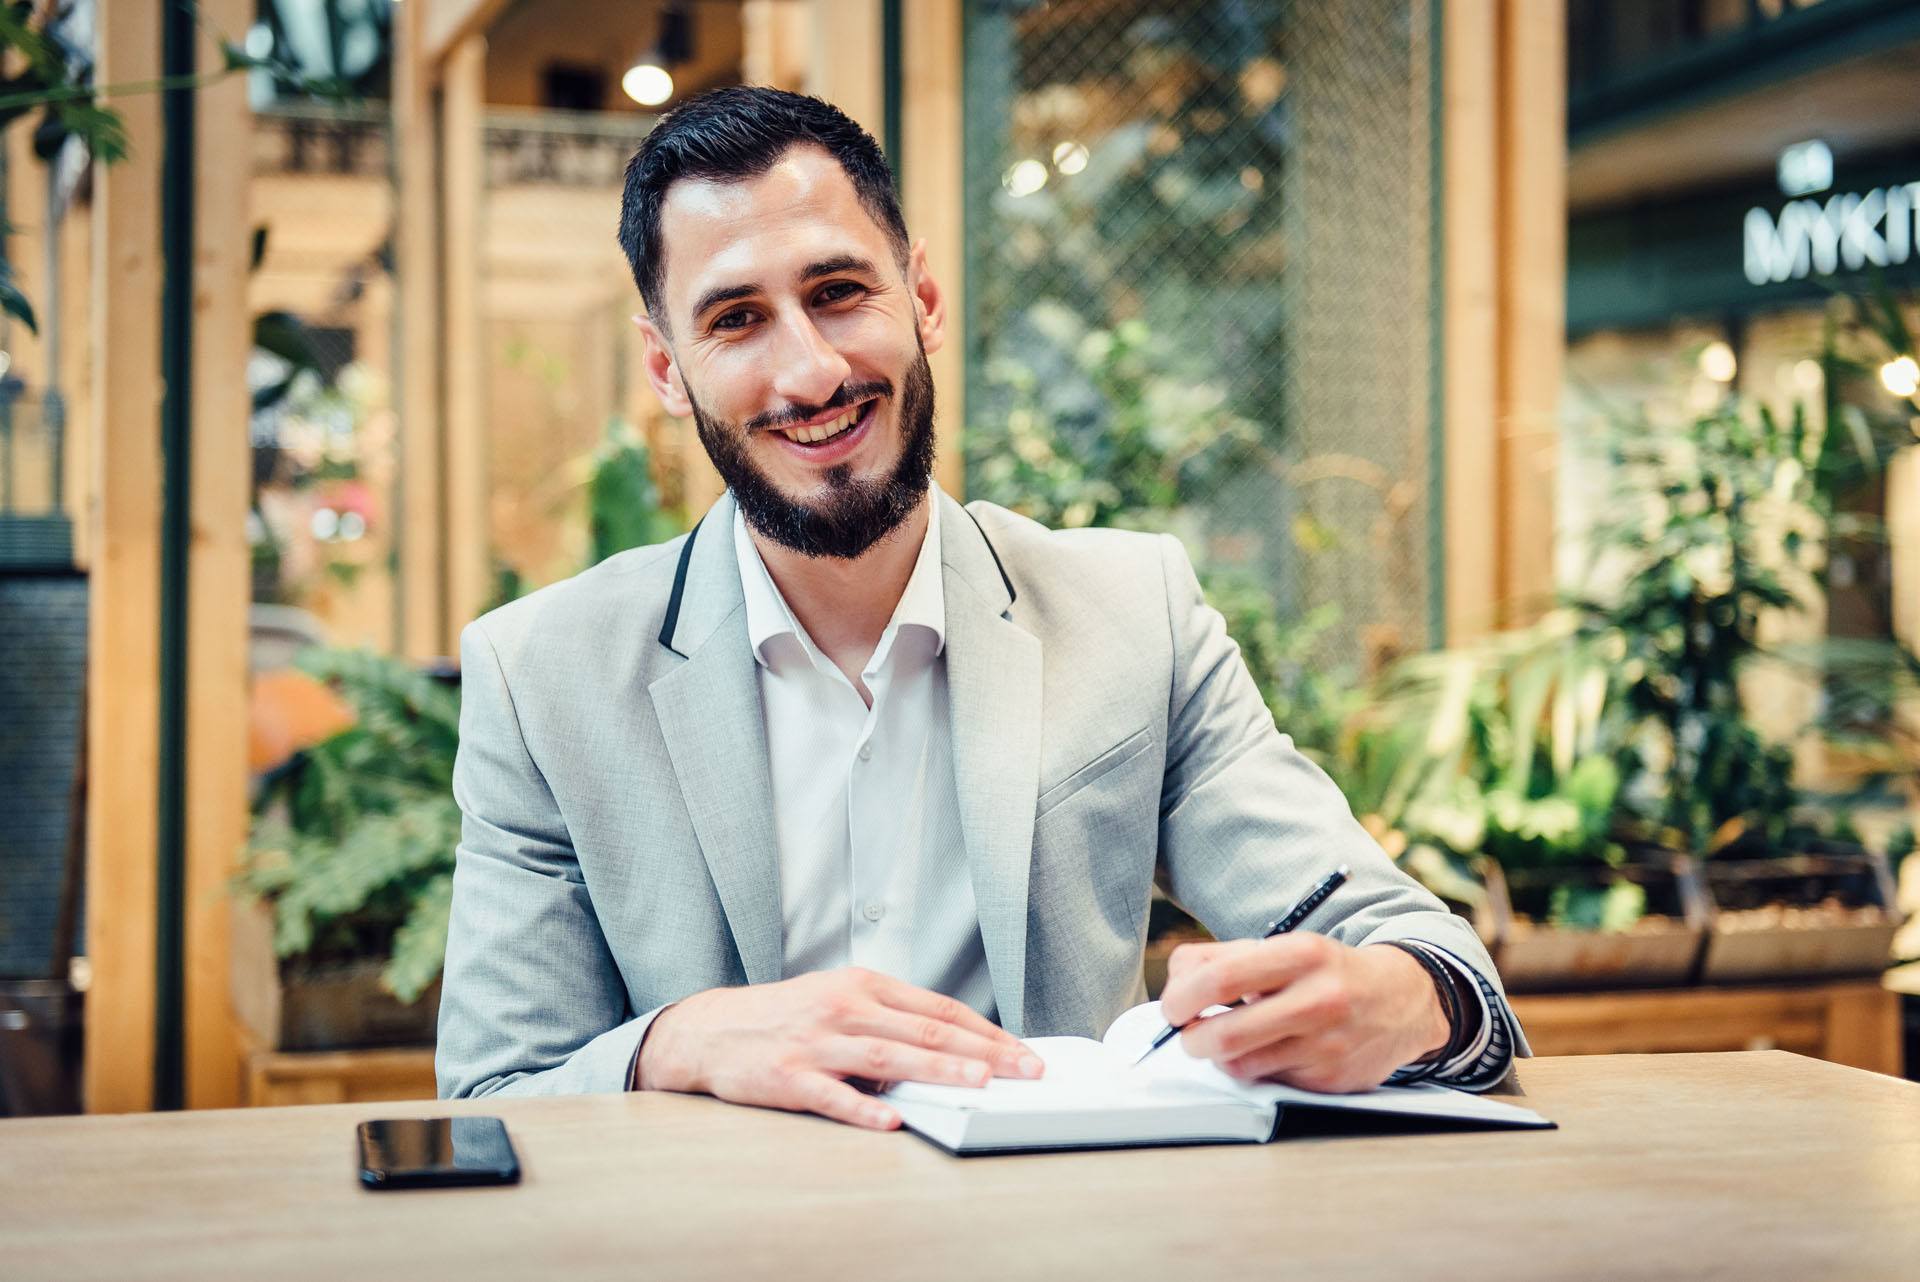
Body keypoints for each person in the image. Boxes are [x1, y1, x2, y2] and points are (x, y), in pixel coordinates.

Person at [436, 86, 1526, 1129]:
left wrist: (1387, 999)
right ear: (667, 369)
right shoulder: (542, 677)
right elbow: (492, 1092)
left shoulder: (1134, 614)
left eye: (838, 293)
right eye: (735, 319)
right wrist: (679, 1040)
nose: (810, 373)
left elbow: (1424, 958)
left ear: (922, 300)